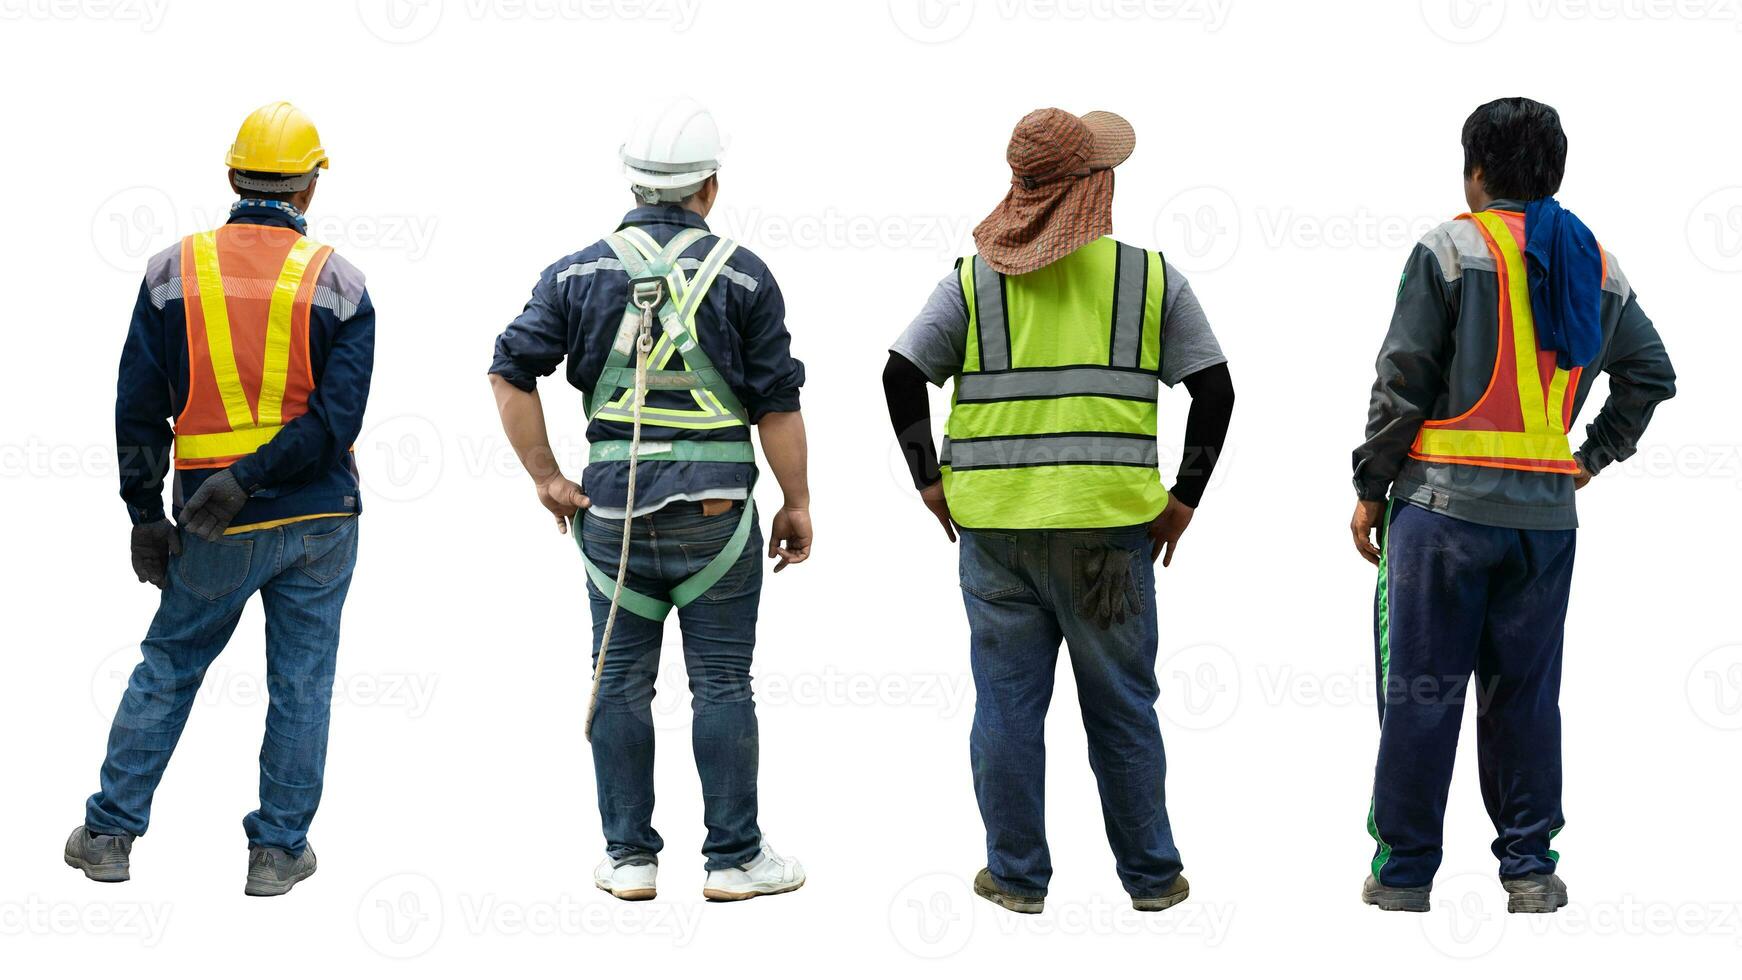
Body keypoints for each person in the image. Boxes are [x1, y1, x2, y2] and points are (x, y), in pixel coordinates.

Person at [882, 107, 1235, 914]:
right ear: (1092, 189)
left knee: (1006, 709)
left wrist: (928, 482)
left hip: (997, 535)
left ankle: (1015, 878)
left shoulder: (971, 281)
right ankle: (1152, 879)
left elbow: (901, 374)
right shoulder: (1150, 277)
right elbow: (1215, 389)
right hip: (1111, 537)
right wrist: (1184, 499)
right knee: (1123, 710)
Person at [1351, 97, 1676, 914]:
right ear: (1553, 171)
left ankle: (1404, 877)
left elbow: (1403, 381)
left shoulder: (1452, 247)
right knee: (1524, 698)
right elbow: (1652, 375)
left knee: (1424, 691)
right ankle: (1530, 871)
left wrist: (1366, 486)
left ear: (1477, 170)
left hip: (1440, 516)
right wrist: (1589, 459)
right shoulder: (1599, 264)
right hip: (1544, 526)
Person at [488, 97, 812, 903]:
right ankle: (734, 859)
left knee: (621, 681)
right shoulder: (744, 274)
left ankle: (629, 858)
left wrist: (546, 477)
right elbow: (776, 402)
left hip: (611, 519)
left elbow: (508, 368)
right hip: (717, 518)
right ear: (709, 185)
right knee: (723, 683)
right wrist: (797, 500)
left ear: (631, 182)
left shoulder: (576, 273)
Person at [70, 102, 374, 897]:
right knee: (302, 682)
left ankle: (108, 835)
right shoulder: (340, 283)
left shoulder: (172, 270)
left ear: (232, 176)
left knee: (169, 664)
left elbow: (137, 406)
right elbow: (339, 420)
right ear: (308, 188)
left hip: (215, 520)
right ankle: (276, 853)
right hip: (318, 520)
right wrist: (262, 473)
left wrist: (144, 514)